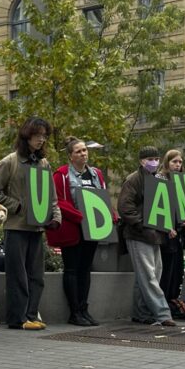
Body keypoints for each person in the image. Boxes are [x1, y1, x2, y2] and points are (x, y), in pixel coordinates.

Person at [0, 117, 62, 331]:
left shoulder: (44, 163)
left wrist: (56, 217)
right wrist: (17, 207)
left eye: (44, 136)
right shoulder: (9, 162)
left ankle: (31, 315)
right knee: (17, 276)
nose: (41, 139)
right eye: (37, 135)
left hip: (37, 228)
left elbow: (52, 196)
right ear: (26, 136)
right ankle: (17, 318)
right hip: (16, 228)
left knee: (36, 275)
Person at [49, 137, 109, 326]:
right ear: (70, 156)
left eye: (84, 150)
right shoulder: (62, 174)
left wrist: (109, 216)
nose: (83, 154)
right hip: (73, 229)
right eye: (78, 151)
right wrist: (79, 215)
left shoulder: (96, 174)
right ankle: (74, 312)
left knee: (85, 269)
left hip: (92, 230)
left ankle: (84, 309)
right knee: (72, 269)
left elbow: (102, 198)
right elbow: (57, 200)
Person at [118, 147, 177, 327]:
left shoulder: (155, 181)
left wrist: (166, 226)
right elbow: (125, 207)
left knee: (149, 276)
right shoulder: (133, 180)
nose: (154, 162)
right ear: (142, 160)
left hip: (153, 234)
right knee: (149, 277)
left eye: (157, 158)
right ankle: (163, 313)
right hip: (139, 234)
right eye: (150, 158)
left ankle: (141, 313)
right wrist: (141, 224)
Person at [156, 150, 185, 321]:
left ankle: (172, 300)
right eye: (174, 162)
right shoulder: (160, 179)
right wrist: (166, 226)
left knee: (176, 269)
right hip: (164, 233)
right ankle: (163, 301)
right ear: (167, 162)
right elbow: (157, 206)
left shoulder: (182, 181)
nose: (178, 165)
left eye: (180, 162)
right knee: (166, 269)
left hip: (178, 233)